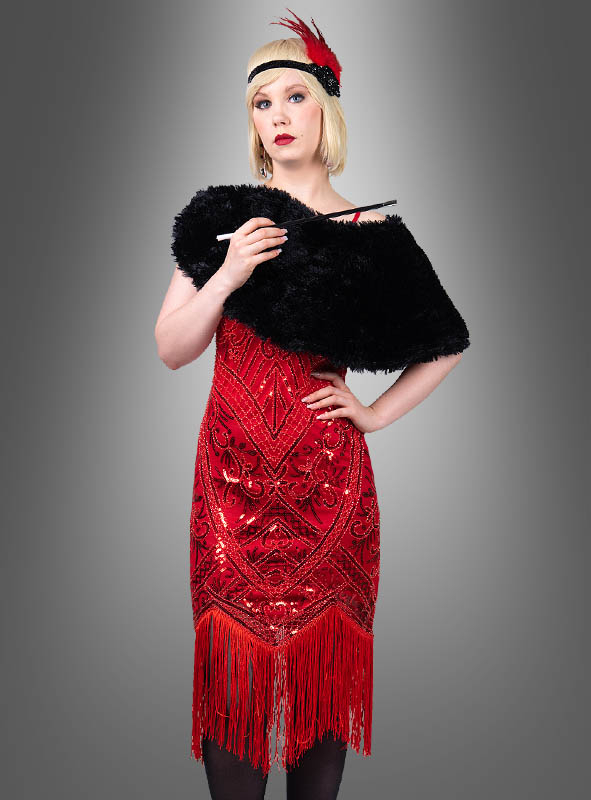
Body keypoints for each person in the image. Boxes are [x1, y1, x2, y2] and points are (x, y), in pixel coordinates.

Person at [155, 9, 469, 800]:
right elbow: (171, 347)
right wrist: (228, 275)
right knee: (232, 688)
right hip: (229, 487)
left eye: (294, 97)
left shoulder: (372, 235)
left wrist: (374, 414)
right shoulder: (221, 221)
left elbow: (445, 342)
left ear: (325, 109)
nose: (278, 116)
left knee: (321, 687)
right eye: (262, 104)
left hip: (330, 490)